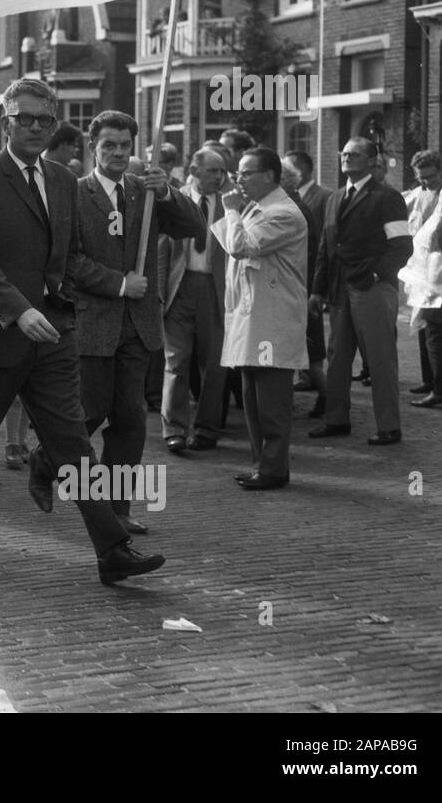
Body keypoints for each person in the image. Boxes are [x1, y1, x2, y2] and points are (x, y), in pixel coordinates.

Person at [0, 78, 165, 585]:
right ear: (5, 121)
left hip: (54, 334)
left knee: (73, 442)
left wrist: (68, 303)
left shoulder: (61, 179)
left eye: (45, 120)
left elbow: (70, 254)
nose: (35, 128)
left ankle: (112, 549)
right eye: (25, 119)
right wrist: (17, 310)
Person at [72, 111, 203, 529]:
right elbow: (67, 262)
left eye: (124, 146)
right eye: (108, 145)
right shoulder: (74, 194)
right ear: (92, 146)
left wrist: (168, 193)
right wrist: (117, 284)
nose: (116, 153)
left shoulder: (145, 192)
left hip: (139, 326)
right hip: (94, 323)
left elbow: (195, 227)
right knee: (88, 413)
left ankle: (118, 511)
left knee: (129, 422)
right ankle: (45, 462)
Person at [211, 149, 309, 490]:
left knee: (271, 401)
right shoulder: (257, 208)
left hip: (272, 319)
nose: (240, 179)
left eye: (246, 173)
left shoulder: (282, 213)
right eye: (238, 172)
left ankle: (273, 468)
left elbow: (239, 245)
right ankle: (262, 464)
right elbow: (228, 240)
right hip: (253, 318)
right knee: (252, 396)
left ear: (269, 175)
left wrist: (230, 209)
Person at [308, 137, 412, 446]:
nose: (347, 158)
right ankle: (336, 419)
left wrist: (377, 274)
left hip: (373, 289)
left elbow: (402, 247)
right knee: (337, 358)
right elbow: (326, 248)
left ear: (371, 161)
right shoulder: (334, 198)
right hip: (339, 291)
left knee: (380, 359)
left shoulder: (387, 197)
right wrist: (317, 290)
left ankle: (389, 427)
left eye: (355, 154)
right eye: (344, 153)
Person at [158, 148, 230, 453]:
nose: (219, 176)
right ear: (194, 170)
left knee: (214, 363)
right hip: (181, 285)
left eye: (222, 171)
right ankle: (174, 428)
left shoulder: (231, 204)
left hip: (216, 289)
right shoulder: (176, 199)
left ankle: (206, 428)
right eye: (213, 170)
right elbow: (161, 248)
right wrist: (160, 293)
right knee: (176, 360)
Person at [280, 157, 326, 418]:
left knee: (308, 353)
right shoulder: (298, 205)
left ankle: (330, 399)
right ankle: (329, 398)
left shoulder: (293, 209)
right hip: (304, 287)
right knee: (309, 353)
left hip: (299, 289)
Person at [406, 151, 442, 400]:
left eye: (429, 177)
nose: (425, 182)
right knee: (421, 322)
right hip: (419, 266)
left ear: (439, 170)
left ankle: (441, 384)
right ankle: (428, 379)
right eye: (421, 178)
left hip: (440, 266)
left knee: (435, 323)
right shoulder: (418, 193)